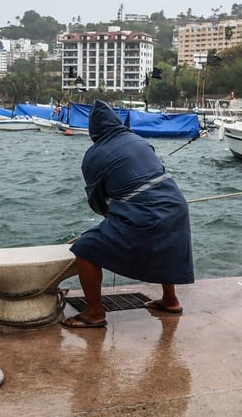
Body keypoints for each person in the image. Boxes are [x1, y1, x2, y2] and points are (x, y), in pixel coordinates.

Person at [64, 100, 195, 328]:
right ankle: (170, 300)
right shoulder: (139, 140)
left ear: (93, 129)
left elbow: (97, 201)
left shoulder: (94, 155)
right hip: (177, 206)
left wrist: (112, 216)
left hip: (146, 212)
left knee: (85, 249)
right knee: (166, 245)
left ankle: (94, 313)